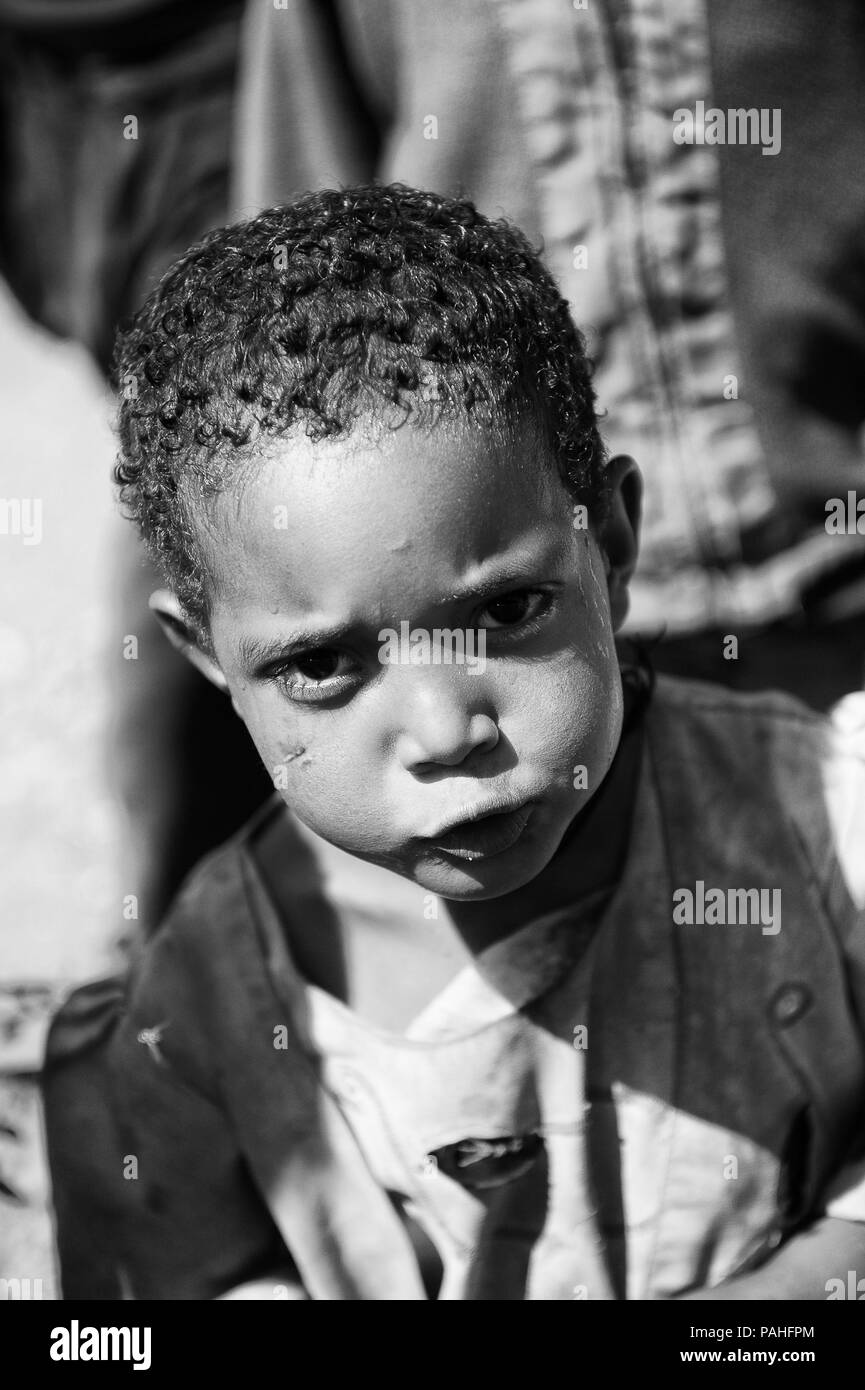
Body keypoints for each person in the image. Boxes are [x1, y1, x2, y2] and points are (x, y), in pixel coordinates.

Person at [43, 185, 865, 1300]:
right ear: (208, 661)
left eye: (510, 610)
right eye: (324, 664)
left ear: (611, 547)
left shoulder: (827, 832)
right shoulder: (189, 1035)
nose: (445, 732)